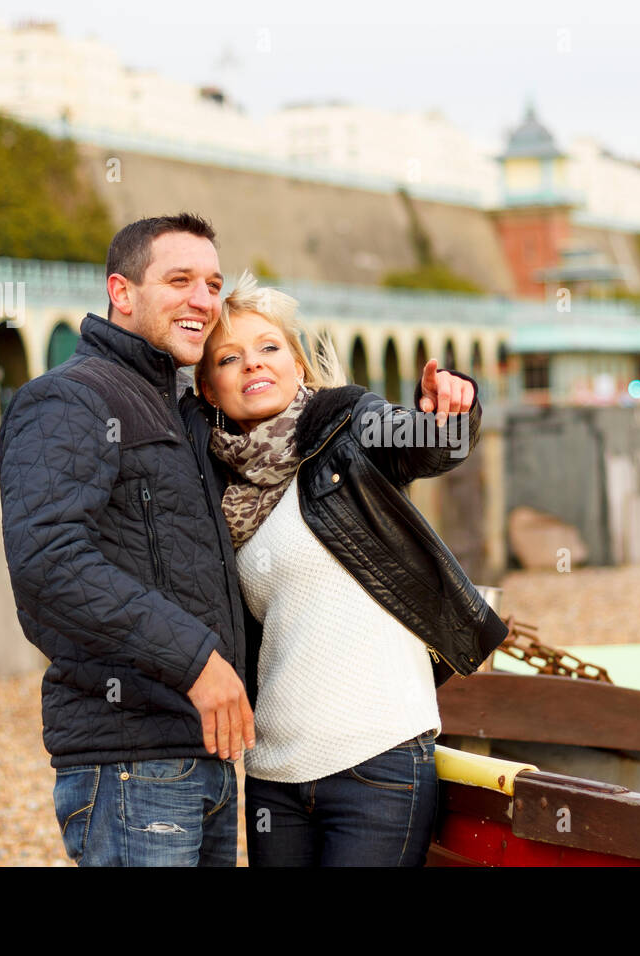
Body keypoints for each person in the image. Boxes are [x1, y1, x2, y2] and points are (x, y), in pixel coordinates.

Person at [195, 271, 508, 866]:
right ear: (210, 390)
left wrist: (450, 409)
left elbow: (425, 443)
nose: (252, 365)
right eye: (229, 358)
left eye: (269, 348)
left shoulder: (346, 425)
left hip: (379, 754)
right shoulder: (219, 493)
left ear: (298, 365)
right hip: (274, 774)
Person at [0, 213, 255, 866]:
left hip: (202, 755)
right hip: (131, 763)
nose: (203, 299)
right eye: (180, 280)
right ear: (122, 292)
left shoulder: (180, 409)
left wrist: (438, 423)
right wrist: (196, 661)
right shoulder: (69, 400)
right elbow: (49, 564)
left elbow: (305, 427)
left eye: (213, 283)